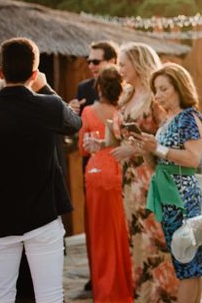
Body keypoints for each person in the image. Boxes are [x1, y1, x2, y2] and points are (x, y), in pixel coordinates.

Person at [0, 38, 81, 303]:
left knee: (0, 297)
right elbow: (74, 122)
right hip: (43, 217)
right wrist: (46, 87)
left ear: (0, 72)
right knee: (50, 296)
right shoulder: (49, 106)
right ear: (34, 74)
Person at [133, 62, 202, 303]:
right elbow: (160, 160)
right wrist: (148, 148)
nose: (158, 95)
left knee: (187, 261)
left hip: (182, 197)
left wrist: (157, 148)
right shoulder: (168, 120)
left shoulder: (188, 119)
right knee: (187, 262)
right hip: (167, 192)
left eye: (164, 89)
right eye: (156, 90)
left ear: (180, 88)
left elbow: (193, 159)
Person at [111, 43, 179, 302]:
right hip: (129, 182)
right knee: (137, 239)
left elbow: (170, 139)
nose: (120, 70)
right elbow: (119, 134)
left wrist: (135, 149)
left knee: (156, 239)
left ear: (138, 64)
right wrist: (107, 143)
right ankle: (143, 296)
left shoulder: (156, 98)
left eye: (123, 64)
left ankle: (164, 295)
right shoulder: (126, 96)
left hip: (152, 178)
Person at [79, 65, 133, 303]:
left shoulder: (89, 112)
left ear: (99, 86)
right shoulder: (124, 111)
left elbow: (82, 147)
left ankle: (105, 292)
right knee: (122, 232)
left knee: (100, 235)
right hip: (121, 171)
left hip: (97, 174)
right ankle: (126, 287)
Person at [69, 40, 118, 294]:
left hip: (120, 164)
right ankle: (96, 274)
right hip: (93, 166)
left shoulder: (124, 89)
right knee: (94, 223)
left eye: (95, 61)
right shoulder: (84, 87)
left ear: (112, 61)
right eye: (88, 61)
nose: (90, 65)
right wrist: (74, 112)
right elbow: (81, 130)